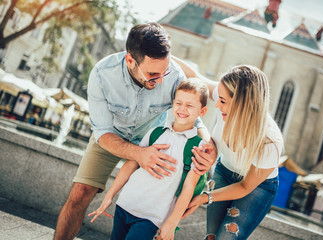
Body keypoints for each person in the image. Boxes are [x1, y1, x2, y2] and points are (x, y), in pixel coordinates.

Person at [53, 23, 217, 240]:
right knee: (79, 193)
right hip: (110, 138)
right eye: (152, 75)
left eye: (164, 72)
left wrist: (209, 148)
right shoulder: (102, 75)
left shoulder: (173, 76)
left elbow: (192, 115)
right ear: (130, 60)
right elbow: (102, 132)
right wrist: (138, 154)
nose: (160, 81)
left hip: (152, 143)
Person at [88, 79, 209, 240]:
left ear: (202, 112)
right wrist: (110, 195)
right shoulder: (155, 132)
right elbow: (131, 164)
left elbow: (188, 188)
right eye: (179, 103)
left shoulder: (198, 148)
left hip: (151, 217)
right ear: (173, 103)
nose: (182, 109)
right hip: (125, 204)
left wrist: (171, 224)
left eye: (189, 105)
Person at [176, 61, 284, 240]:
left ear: (243, 103)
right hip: (224, 171)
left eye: (223, 101)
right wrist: (165, 54)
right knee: (211, 237)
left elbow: (245, 187)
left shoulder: (269, 142)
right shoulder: (225, 96)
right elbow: (195, 77)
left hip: (257, 188)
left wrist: (204, 198)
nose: (217, 105)